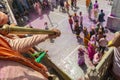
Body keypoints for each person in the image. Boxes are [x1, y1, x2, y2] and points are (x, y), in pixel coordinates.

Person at [0, 11, 61, 80]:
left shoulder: (9, 38)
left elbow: (14, 44)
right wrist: (47, 35)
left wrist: (47, 35)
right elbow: (17, 45)